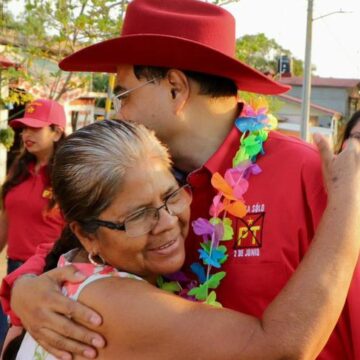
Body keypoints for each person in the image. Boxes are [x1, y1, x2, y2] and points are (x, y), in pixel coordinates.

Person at [0, 0, 359, 359]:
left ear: (175, 88)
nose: (119, 114)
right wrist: (26, 289)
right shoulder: (146, 177)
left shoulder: (312, 175)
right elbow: (68, 243)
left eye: (123, 94)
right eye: (143, 215)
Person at [2, 119, 360, 360]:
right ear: (85, 233)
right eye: (139, 215)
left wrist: (25, 285)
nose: (168, 222)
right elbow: (280, 348)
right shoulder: (105, 302)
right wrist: (347, 203)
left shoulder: (73, 268)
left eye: (171, 195)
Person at [0, 99, 66, 347]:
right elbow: (6, 221)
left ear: (57, 131)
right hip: (14, 269)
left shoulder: (68, 174)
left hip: (47, 271)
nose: (27, 134)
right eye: (24, 128)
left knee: (32, 346)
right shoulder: (18, 170)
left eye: (35, 128)